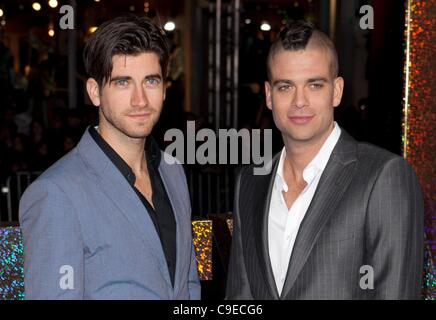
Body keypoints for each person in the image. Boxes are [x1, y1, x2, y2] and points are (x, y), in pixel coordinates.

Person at [226, 20, 423, 300]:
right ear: (269, 96)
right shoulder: (251, 181)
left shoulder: (384, 176)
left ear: (337, 90)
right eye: (286, 87)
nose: (299, 101)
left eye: (314, 85)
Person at [19, 15, 201, 299]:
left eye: (150, 81)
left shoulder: (173, 170)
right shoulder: (56, 193)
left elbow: (187, 287)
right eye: (122, 83)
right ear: (95, 91)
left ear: (164, 88)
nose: (140, 100)